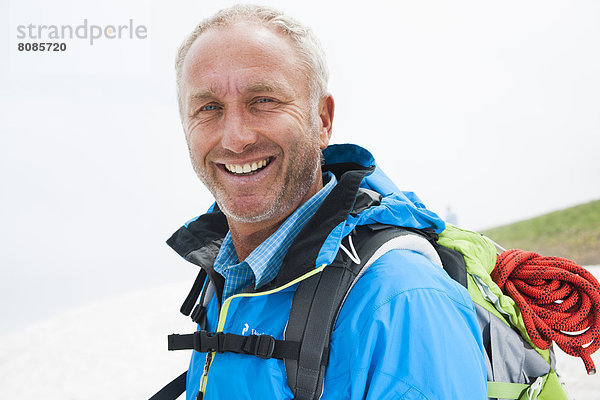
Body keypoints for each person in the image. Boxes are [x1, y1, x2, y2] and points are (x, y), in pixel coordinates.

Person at [168, 4, 487, 399]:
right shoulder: (228, 276)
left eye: (264, 100)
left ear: (322, 120)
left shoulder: (400, 301)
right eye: (209, 108)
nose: (235, 137)